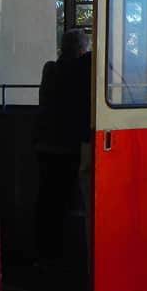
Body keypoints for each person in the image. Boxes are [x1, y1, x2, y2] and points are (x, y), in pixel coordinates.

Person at [33, 29, 91, 264]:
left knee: (47, 200)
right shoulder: (80, 68)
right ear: (80, 50)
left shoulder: (50, 69)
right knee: (71, 202)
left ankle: (45, 255)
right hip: (69, 147)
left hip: (45, 145)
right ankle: (69, 259)